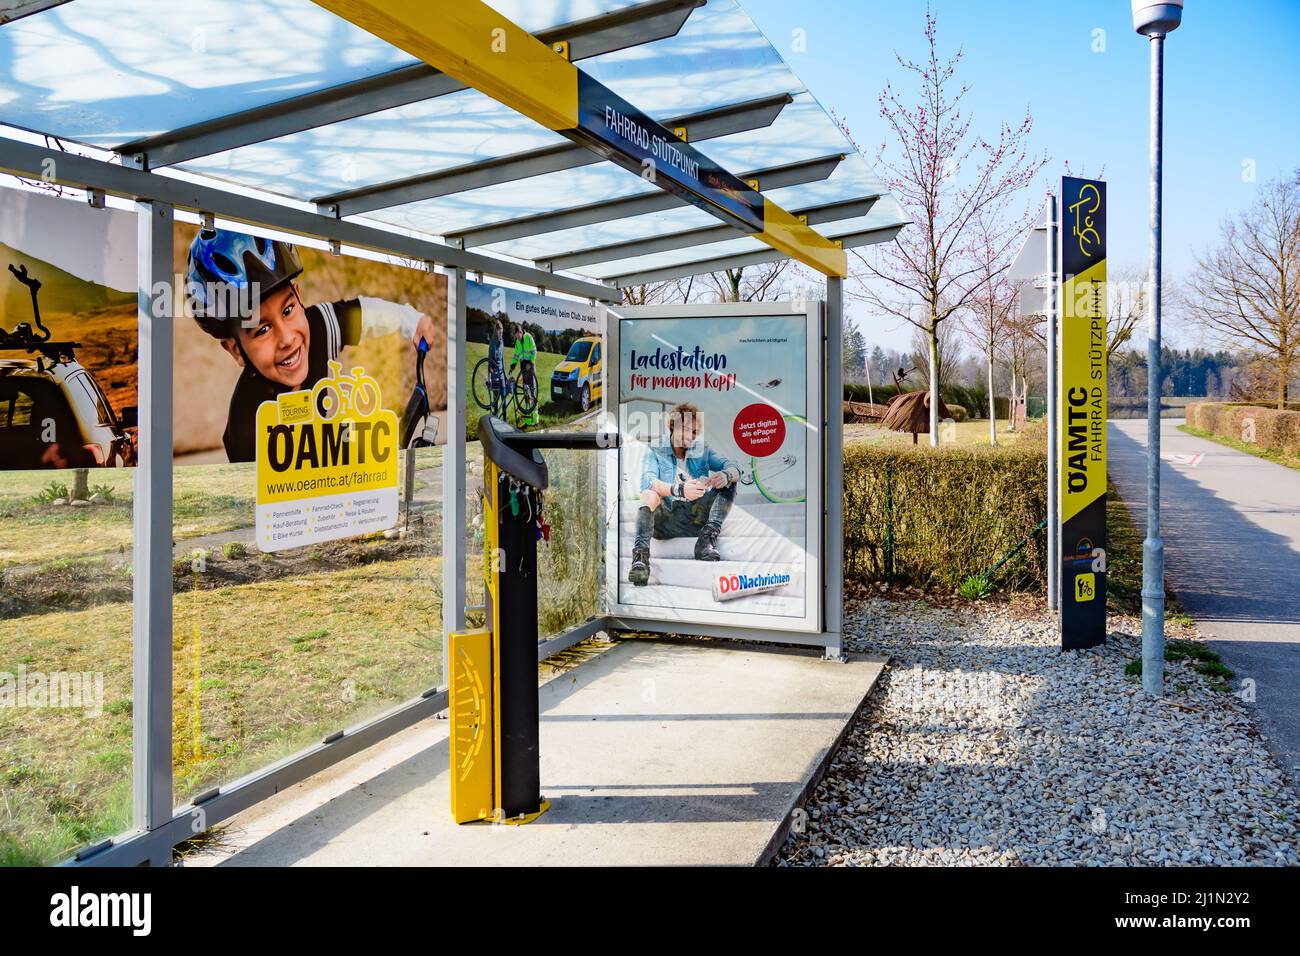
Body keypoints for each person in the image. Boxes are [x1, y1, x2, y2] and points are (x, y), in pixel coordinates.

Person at [186, 228, 437, 463]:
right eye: (262, 330)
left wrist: (412, 322)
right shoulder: (246, 426)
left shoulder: (319, 327)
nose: (286, 338)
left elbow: (364, 316)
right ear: (236, 350)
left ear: (298, 295)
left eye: (288, 310)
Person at [629, 402, 739, 586]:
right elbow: (648, 481)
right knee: (649, 494)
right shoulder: (655, 449)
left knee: (730, 481)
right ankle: (640, 558)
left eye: (694, 432)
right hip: (665, 521)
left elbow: (733, 466)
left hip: (695, 519)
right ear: (673, 426)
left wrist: (726, 475)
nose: (690, 436)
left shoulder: (702, 450)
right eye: (686, 429)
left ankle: (706, 541)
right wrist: (679, 489)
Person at [509, 321, 538, 426]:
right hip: (523, 368)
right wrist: (512, 366)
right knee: (525, 393)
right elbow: (516, 356)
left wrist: (530, 362)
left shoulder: (528, 337)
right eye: (516, 334)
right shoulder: (517, 342)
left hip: (530, 367)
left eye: (519, 333)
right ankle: (527, 422)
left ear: (522, 332)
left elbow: (534, 351)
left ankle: (535, 420)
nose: (518, 335)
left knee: (532, 393)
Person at [486, 319, 506, 416]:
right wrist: (489, 377)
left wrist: (505, 375)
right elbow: (489, 360)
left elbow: (502, 359)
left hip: (501, 374)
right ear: (496, 331)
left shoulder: (502, 342)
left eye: (502, 332)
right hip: (494, 375)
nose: (501, 334)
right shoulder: (492, 342)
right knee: (496, 400)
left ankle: (505, 419)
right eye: (499, 332)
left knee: (504, 398)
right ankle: (496, 419)